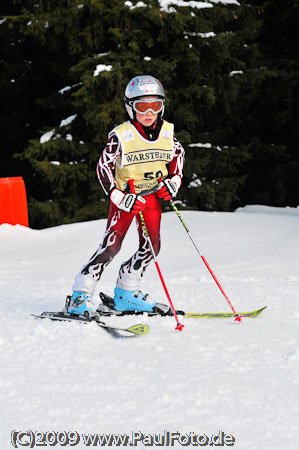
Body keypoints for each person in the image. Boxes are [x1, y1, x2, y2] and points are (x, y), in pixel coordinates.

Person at [68, 75, 185, 316]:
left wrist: (174, 180)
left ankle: (126, 293)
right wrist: (116, 195)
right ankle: (80, 296)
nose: (150, 112)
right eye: (142, 106)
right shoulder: (121, 135)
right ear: (130, 107)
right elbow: (102, 166)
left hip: (151, 198)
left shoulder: (167, 132)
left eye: (156, 105)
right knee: (111, 246)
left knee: (152, 246)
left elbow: (178, 155)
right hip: (127, 199)